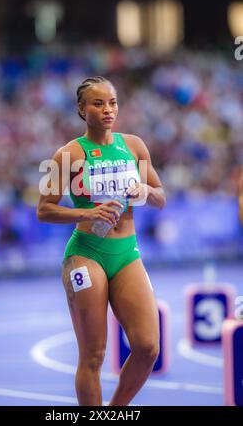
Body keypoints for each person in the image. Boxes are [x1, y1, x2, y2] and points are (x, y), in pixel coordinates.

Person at [37, 76, 166, 406]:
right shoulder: (67, 155)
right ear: (82, 109)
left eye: (112, 102)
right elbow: (44, 210)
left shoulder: (134, 146)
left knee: (148, 347)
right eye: (98, 103)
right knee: (93, 355)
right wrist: (88, 214)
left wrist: (147, 190)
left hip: (126, 253)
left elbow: (161, 197)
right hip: (86, 254)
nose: (108, 109)